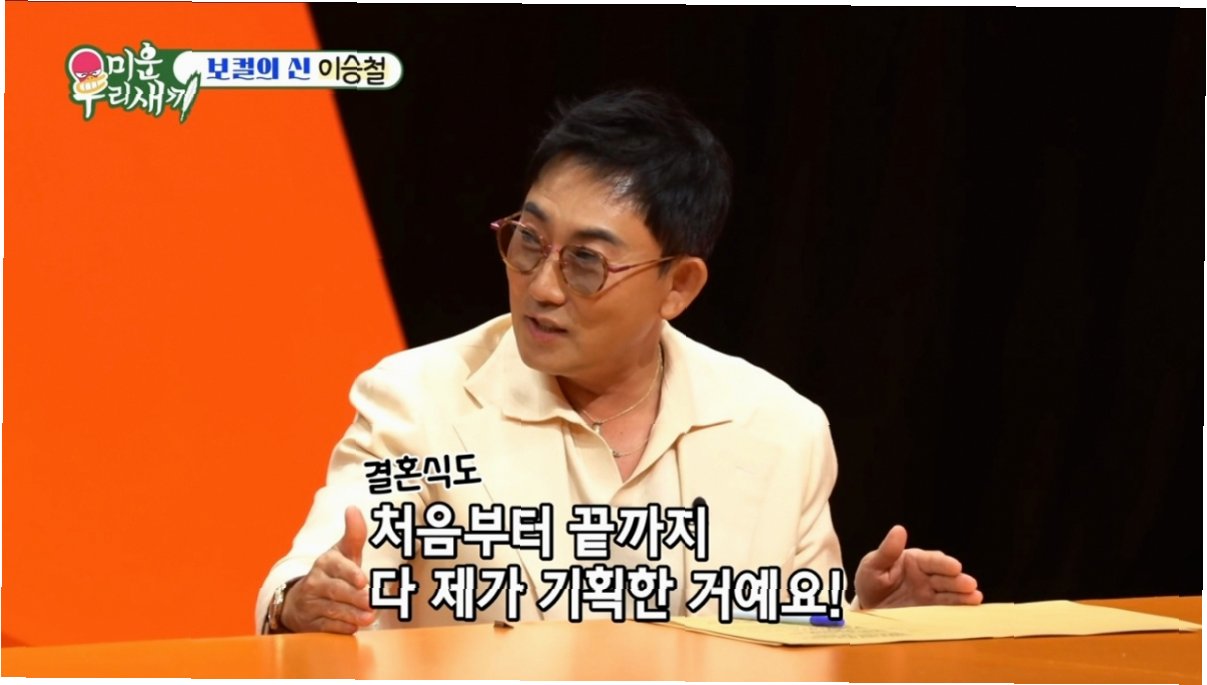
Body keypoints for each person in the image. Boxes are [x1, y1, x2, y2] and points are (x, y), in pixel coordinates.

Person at [256, 88, 983, 635]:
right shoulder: (419, 402)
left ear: (679, 285)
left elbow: (798, 639)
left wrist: (869, 624)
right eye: (528, 240)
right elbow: (316, 570)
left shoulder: (780, 429)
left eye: (586, 262)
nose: (542, 286)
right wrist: (305, 602)